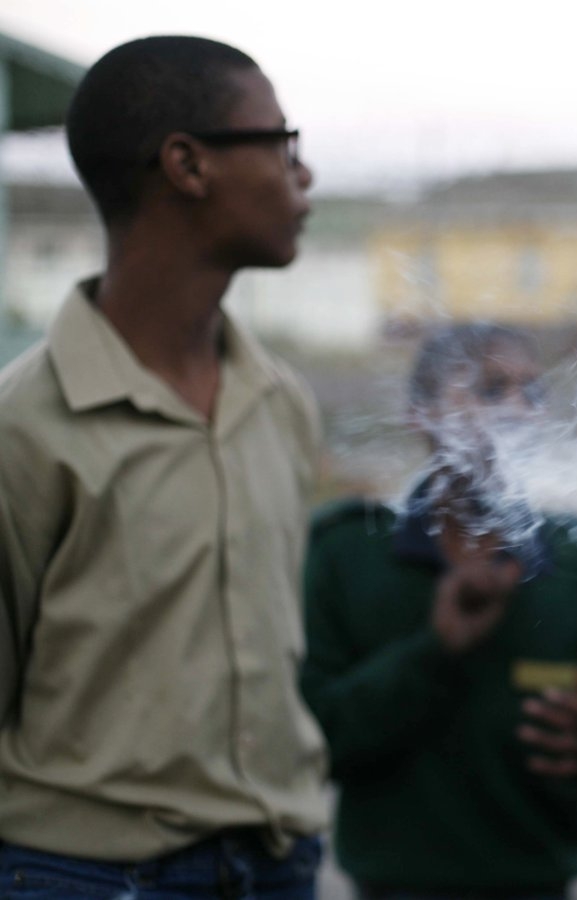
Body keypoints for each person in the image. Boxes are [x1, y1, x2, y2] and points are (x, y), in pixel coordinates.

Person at [0, 36, 326, 895]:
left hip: (279, 861)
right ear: (187, 164)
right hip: (84, 877)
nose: (306, 176)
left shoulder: (280, 402)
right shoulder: (21, 429)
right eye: (281, 142)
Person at [301, 323, 577, 899]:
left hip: (539, 885)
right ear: (420, 414)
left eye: (533, 393)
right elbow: (308, 743)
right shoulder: (349, 555)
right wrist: (434, 652)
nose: (518, 411)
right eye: (490, 390)